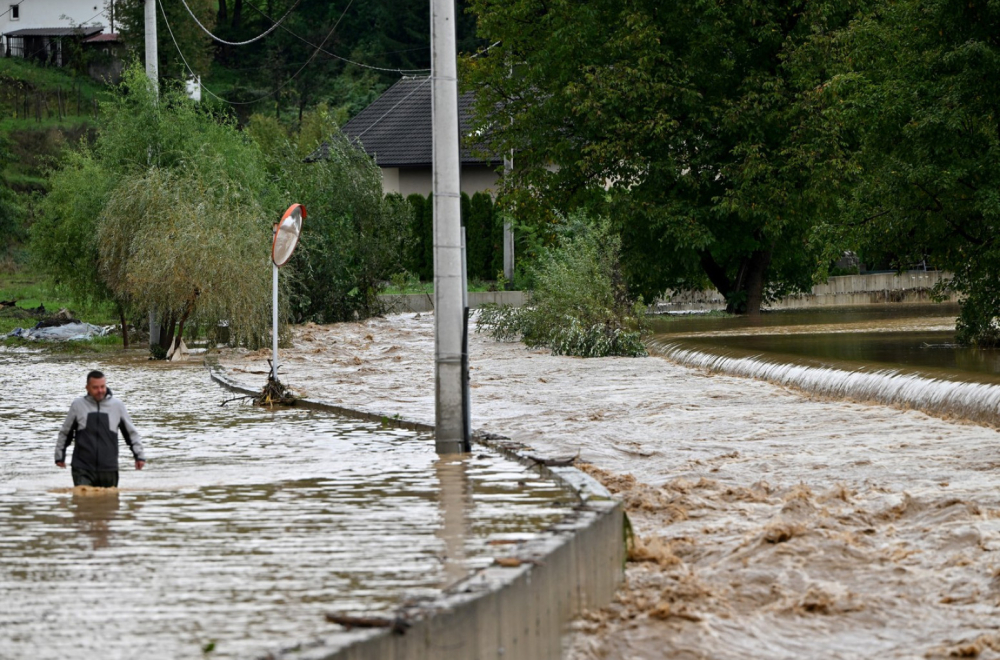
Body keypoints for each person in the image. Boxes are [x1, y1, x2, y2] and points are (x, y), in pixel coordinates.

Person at [55, 370, 146, 488]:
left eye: (102, 386)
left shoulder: (117, 406)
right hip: (83, 468)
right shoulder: (78, 405)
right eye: (95, 387)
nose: (100, 391)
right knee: (83, 503)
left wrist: (139, 456)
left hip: (109, 468)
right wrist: (59, 456)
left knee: (109, 504)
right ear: (87, 387)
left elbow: (131, 433)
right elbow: (65, 432)